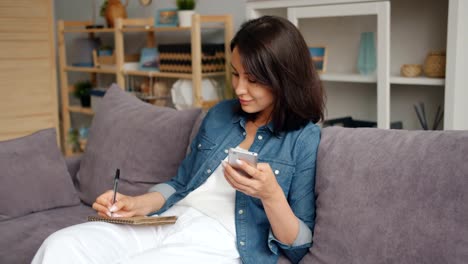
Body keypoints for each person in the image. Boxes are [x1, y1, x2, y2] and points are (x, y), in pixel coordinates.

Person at [32, 15, 325, 264]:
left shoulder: (303, 138)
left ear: (283, 78)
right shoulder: (221, 115)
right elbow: (181, 183)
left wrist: (270, 194)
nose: (239, 88)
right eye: (235, 74)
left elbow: (298, 244)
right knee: (61, 245)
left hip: (222, 241)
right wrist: (138, 204)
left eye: (253, 79)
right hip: (172, 219)